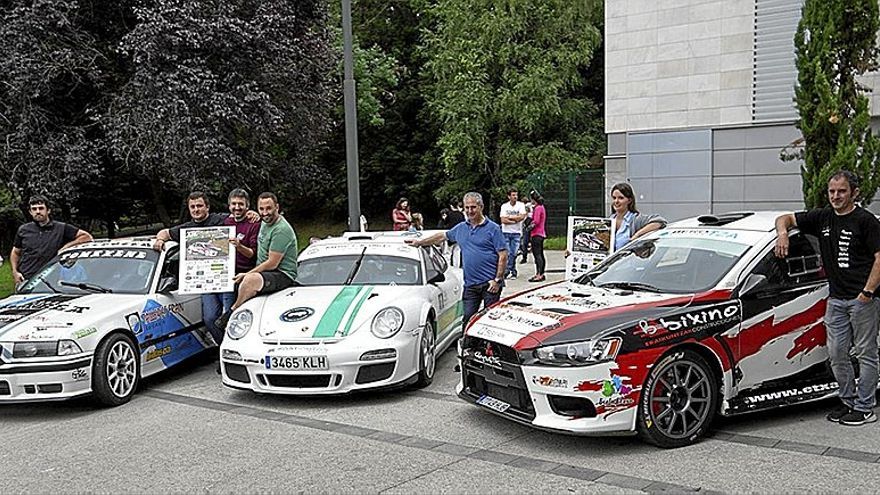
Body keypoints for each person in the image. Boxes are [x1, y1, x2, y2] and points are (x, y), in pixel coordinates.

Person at [775, 170, 880, 426]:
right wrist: (782, 234)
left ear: (854, 192)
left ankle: (865, 406)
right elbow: (784, 218)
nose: (836, 196)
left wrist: (866, 293)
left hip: (862, 300)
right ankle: (848, 401)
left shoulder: (866, 221)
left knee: (866, 353)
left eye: (842, 191)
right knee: (836, 354)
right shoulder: (822, 217)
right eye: (832, 191)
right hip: (836, 300)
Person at [153, 191, 257, 344]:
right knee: (209, 319)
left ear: (207, 207)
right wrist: (159, 240)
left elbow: (238, 214)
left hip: (226, 278)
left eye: (200, 206)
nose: (196, 210)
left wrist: (252, 213)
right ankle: (223, 348)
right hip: (205, 283)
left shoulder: (222, 220)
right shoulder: (186, 229)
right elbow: (164, 232)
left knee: (228, 317)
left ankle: (233, 350)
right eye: (193, 207)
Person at [407, 192, 507, 327]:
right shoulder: (461, 228)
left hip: (490, 284)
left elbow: (503, 255)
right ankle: (470, 347)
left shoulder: (493, 229)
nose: (470, 211)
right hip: (471, 284)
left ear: (481, 207)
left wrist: (498, 280)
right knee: (468, 319)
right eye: (467, 208)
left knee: (490, 321)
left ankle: (491, 347)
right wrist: (419, 242)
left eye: (473, 207)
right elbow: (442, 236)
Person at [215, 192, 299, 330]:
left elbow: (272, 263)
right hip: (266, 272)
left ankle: (231, 313)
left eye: (269, 208)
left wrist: (247, 274)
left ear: (277, 207)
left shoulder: (281, 230)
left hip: (282, 274)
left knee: (249, 281)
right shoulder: (263, 221)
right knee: (240, 283)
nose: (265, 213)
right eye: (261, 209)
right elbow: (238, 215)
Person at [11, 195, 93, 285]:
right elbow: (15, 252)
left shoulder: (61, 228)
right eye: (34, 209)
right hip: (26, 279)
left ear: (48, 210)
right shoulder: (23, 229)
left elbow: (86, 237)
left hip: (51, 280)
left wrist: (65, 248)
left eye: (41, 208)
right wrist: (15, 272)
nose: (38, 212)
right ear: (30, 212)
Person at [610, 183, 666, 251]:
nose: (616, 201)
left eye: (621, 198)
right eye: (614, 198)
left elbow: (660, 221)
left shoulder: (636, 219)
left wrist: (637, 235)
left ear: (629, 200)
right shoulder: (609, 220)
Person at [499, 188, 527, 279]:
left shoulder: (521, 205)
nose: (515, 197)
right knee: (508, 252)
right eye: (513, 195)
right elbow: (503, 220)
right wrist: (515, 220)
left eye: (516, 195)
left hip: (516, 232)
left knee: (514, 253)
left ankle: (509, 270)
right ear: (509, 196)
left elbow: (522, 217)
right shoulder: (504, 206)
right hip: (506, 232)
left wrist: (509, 218)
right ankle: (511, 271)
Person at [528, 191, 547, 282]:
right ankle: (541, 273)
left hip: (537, 234)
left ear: (533, 199)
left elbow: (536, 221)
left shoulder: (538, 208)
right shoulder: (541, 207)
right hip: (541, 233)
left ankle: (539, 274)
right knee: (540, 254)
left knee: (537, 254)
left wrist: (528, 228)